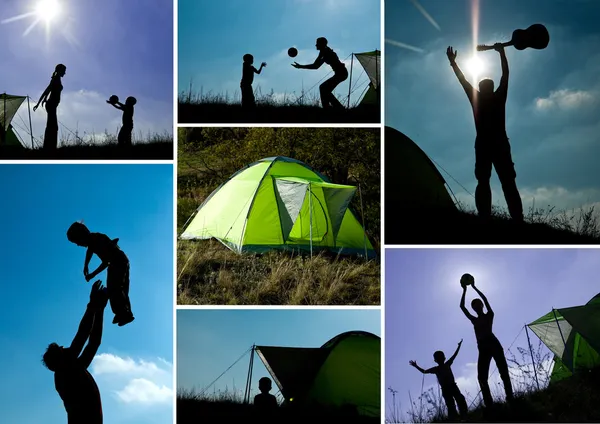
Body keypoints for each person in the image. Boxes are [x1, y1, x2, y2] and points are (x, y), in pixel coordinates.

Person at [447, 45, 523, 221]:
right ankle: (513, 218)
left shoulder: (479, 99)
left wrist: (453, 62)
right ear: (491, 87)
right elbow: (505, 75)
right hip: (496, 143)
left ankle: (487, 216)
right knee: (503, 182)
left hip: (486, 143)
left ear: (482, 89)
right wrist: (502, 53)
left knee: (489, 181)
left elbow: (463, 80)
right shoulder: (497, 97)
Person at [42, 281, 109, 424]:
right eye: (62, 349)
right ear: (60, 360)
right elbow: (82, 336)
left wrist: (99, 310)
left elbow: (93, 342)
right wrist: (92, 306)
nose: (66, 348)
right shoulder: (65, 375)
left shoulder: (74, 370)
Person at [67, 222, 134, 326]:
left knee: (115, 288)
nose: (78, 245)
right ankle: (122, 312)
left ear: (82, 236)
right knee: (116, 288)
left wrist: (92, 274)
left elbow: (105, 262)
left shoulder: (98, 240)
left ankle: (124, 312)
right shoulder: (93, 240)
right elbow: (90, 250)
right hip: (117, 262)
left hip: (117, 262)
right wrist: (86, 265)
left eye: (77, 242)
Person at [460, 278, 513, 407]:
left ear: (481, 306)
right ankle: (489, 404)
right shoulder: (474, 319)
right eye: (474, 306)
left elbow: (485, 300)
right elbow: (462, 307)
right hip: (483, 347)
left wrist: (475, 288)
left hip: (493, 343)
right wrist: (464, 290)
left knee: (503, 371)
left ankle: (510, 398)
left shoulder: (490, 314)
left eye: (478, 304)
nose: (476, 306)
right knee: (482, 378)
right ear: (473, 308)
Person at [409, 340, 468, 420]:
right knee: (452, 404)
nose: (440, 358)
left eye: (440, 356)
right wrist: (416, 366)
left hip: (451, 387)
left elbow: (455, 354)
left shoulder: (443, 366)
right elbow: (424, 371)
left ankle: (462, 417)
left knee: (458, 401)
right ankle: (458, 418)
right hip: (447, 388)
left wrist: (459, 346)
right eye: (438, 357)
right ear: (437, 360)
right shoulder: (440, 367)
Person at [292, 37, 348, 109]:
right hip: (340, 73)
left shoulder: (326, 52)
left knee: (323, 88)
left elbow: (315, 66)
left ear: (322, 44)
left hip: (342, 73)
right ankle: (333, 107)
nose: (316, 45)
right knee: (324, 89)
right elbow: (315, 65)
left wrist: (301, 66)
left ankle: (335, 108)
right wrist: (301, 66)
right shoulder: (323, 52)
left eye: (317, 44)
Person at [33, 63, 66, 151]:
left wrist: (44, 100)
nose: (65, 73)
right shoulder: (55, 79)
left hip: (52, 105)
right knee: (53, 126)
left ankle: (49, 147)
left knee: (52, 125)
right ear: (59, 70)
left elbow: (48, 92)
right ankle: (49, 147)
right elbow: (46, 91)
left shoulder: (57, 79)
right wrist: (39, 103)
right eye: (64, 71)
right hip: (51, 104)